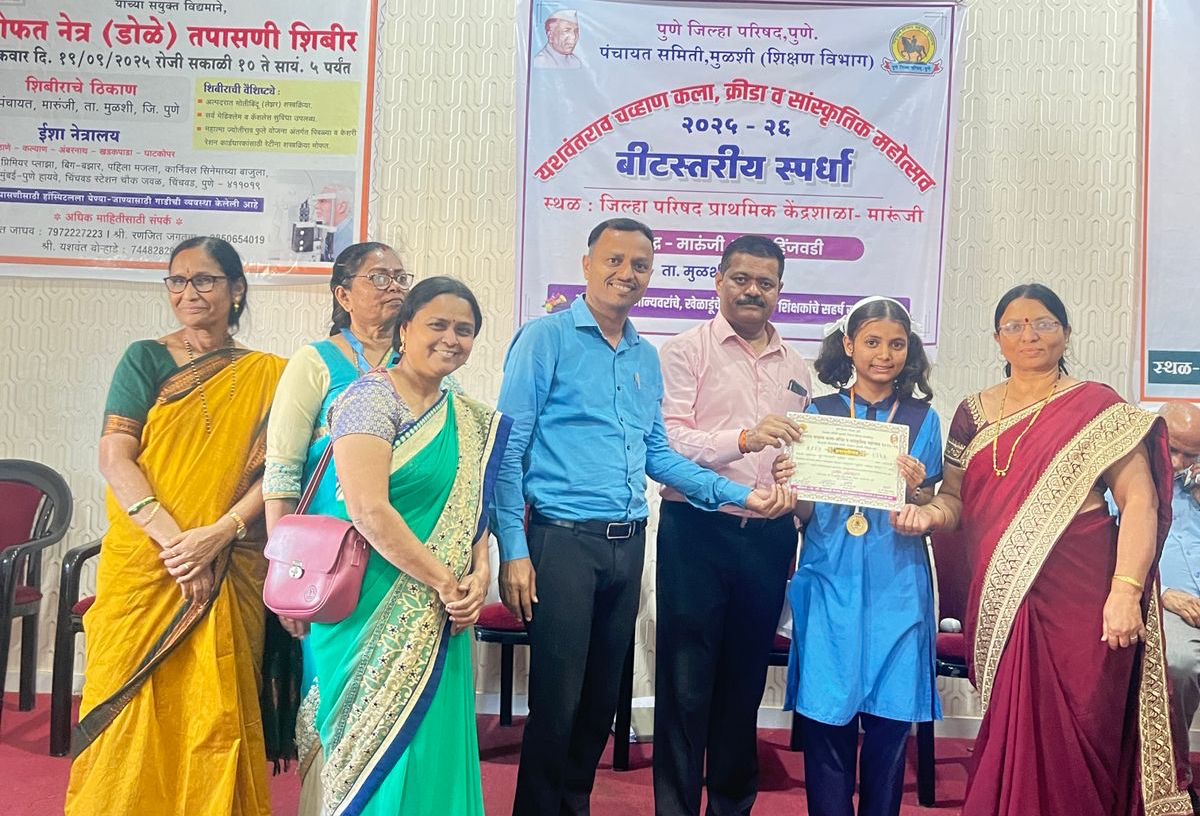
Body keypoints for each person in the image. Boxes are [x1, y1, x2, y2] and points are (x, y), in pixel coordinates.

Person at [493, 218, 795, 816]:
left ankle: (574, 807)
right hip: (561, 540)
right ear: (587, 265)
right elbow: (507, 451)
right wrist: (513, 549)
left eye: (639, 265)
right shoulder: (544, 339)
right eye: (614, 260)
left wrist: (737, 496)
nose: (626, 274)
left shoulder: (643, 356)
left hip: (628, 543)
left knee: (600, 702)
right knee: (557, 703)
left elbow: (659, 454)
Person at [893, 283, 1190, 816]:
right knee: (1014, 722)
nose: (1029, 335)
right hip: (1003, 592)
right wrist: (927, 513)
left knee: (1086, 719)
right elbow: (954, 500)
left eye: (1044, 323)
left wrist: (1126, 592)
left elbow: (1140, 501)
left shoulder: (1098, 407)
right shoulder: (972, 413)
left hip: (1085, 593)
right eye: (1015, 326)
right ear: (997, 339)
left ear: (1066, 333)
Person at [65, 237, 287, 815]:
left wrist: (217, 535)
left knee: (215, 709)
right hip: (148, 562)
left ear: (237, 289)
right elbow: (116, 456)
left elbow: (280, 472)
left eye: (205, 280)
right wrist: (177, 547)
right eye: (177, 281)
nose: (189, 292)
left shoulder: (271, 374)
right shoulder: (144, 358)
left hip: (229, 558)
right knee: (127, 700)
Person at [308, 277, 508, 815]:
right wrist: (445, 581)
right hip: (372, 606)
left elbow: (475, 510)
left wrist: (480, 572)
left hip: (446, 614)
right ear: (404, 330)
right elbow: (368, 510)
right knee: (377, 760)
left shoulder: (466, 415)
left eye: (464, 330)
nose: (451, 339)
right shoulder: (369, 399)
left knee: (433, 750)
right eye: (437, 325)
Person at [654, 234, 810, 815]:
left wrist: (795, 476)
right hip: (697, 531)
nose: (752, 291)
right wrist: (743, 439)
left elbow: (799, 452)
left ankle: (731, 807)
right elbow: (669, 440)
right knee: (685, 683)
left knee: (745, 683)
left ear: (779, 291)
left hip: (769, 539)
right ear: (718, 281)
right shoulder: (683, 351)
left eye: (765, 282)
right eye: (740, 279)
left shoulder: (797, 367)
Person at [773, 297, 942, 816]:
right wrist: (790, 485)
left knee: (890, 726)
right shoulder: (818, 414)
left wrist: (917, 492)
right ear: (849, 346)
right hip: (830, 578)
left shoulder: (922, 419)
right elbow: (804, 510)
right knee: (827, 720)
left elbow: (929, 503)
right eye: (872, 342)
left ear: (909, 351)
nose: (884, 354)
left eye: (896, 344)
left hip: (898, 583)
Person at [263, 241, 411, 813]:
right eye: (379, 277)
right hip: (330, 569)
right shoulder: (316, 363)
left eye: (401, 276)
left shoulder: (417, 364)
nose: (395, 287)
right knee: (330, 698)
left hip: (402, 561)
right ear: (343, 294)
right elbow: (282, 471)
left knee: (396, 700)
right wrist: (285, 573)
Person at [1155, 402, 1200, 811]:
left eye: (1191, 455)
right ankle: (1174, 776)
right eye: (1173, 449)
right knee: (1180, 663)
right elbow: (1109, 554)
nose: (1178, 463)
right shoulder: (1129, 485)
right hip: (1169, 603)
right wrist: (1163, 590)